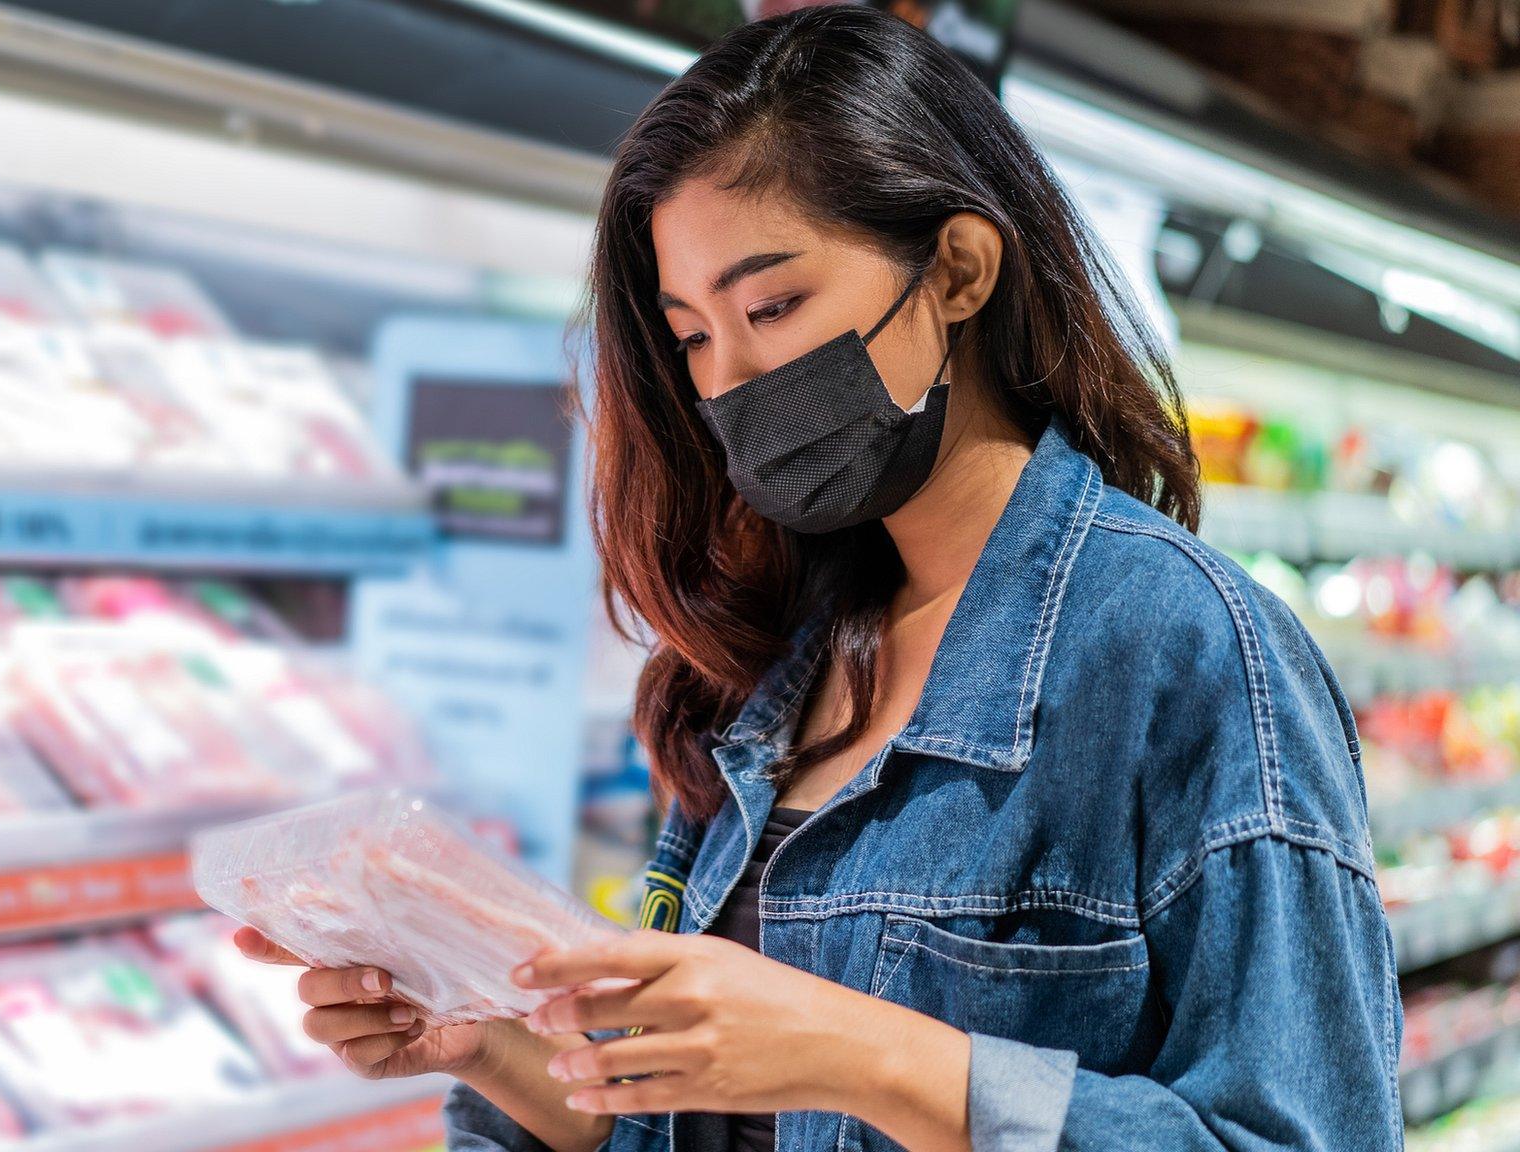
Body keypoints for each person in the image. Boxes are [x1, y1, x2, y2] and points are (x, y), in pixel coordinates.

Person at [235, 6, 1403, 1150]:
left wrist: (857, 1054)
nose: (733, 379)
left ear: (955, 268)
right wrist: (483, 1042)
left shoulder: (1186, 649)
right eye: (692, 335)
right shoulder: (768, 661)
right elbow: (697, 1119)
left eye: (773, 306)